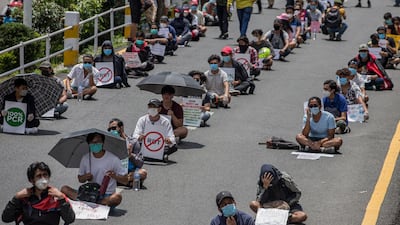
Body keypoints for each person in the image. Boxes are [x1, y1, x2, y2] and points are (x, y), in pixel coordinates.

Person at [61, 132, 128, 207]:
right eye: (93, 142)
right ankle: (92, 202)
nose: (95, 144)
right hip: (89, 192)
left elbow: (125, 180)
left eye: (98, 142)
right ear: (89, 144)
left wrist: (114, 176)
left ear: (103, 143)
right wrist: (85, 177)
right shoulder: (86, 158)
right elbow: (80, 179)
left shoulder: (113, 159)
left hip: (106, 194)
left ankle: (92, 202)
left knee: (117, 198)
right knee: (64, 189)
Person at [2, 162, 75, 225]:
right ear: (31, 180)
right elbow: (6, 219)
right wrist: (16, 198)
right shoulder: (24, 198)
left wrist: (62, 199)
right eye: (39, 176)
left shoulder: (56, 197)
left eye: (45, 175)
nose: (43, 179)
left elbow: (70, 219)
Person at [108, 118, 147, 187]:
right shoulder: (107, 143)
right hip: (114, 173)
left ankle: (125, 180)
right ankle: (127, 182)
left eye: (114, 128)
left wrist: (130, 155)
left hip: (129, 172)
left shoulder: (133, 142)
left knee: (143, 173)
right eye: (109, 129)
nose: (111, 130)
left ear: (121, 128)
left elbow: (140, 163)